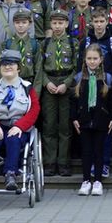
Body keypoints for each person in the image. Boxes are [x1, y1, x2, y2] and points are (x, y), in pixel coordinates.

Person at [0, 50, 40, 192]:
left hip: (18, 126)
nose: (7, 67)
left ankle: (11, 175)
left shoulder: (27, 87)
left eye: (11, 64)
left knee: (14, 138)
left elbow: (34, 110)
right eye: (4, 64)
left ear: (18, 67)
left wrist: (20, 126)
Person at [71, 44, 112, 196]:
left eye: (95, 58)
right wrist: (74, 118)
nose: (92, 61)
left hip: (101, 119)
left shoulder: (107, 78)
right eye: (89, 58)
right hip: (84, 120)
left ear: (101, 59)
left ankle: (97, 181)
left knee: (99, 151)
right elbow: (73, 101)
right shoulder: (79, 78)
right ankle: (85, 181)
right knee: (86, 151)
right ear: (84, 60)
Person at [37, 10, 78, 176]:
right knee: (49, 126)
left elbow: (77, 67)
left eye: (61, 23)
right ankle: (49, 162)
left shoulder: (73, 43)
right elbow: (39, 68)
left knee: (65, 127)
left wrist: (66, 84)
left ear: (67, 24)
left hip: (66, 86)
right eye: (54, 23)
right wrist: (47, 83)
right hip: (50, 86)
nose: (57, 26)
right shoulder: (45, 44)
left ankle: (63, 163)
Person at [4, 9, 41, 81]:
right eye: (17, 22)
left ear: (29, 24)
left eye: (24, 22)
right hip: (11, 81)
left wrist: (36, 90)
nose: (20, 25)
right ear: (13, 24)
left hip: (29, 81)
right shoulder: (7, 44)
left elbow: (38, 69)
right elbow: (2, 68)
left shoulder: (34, 44)